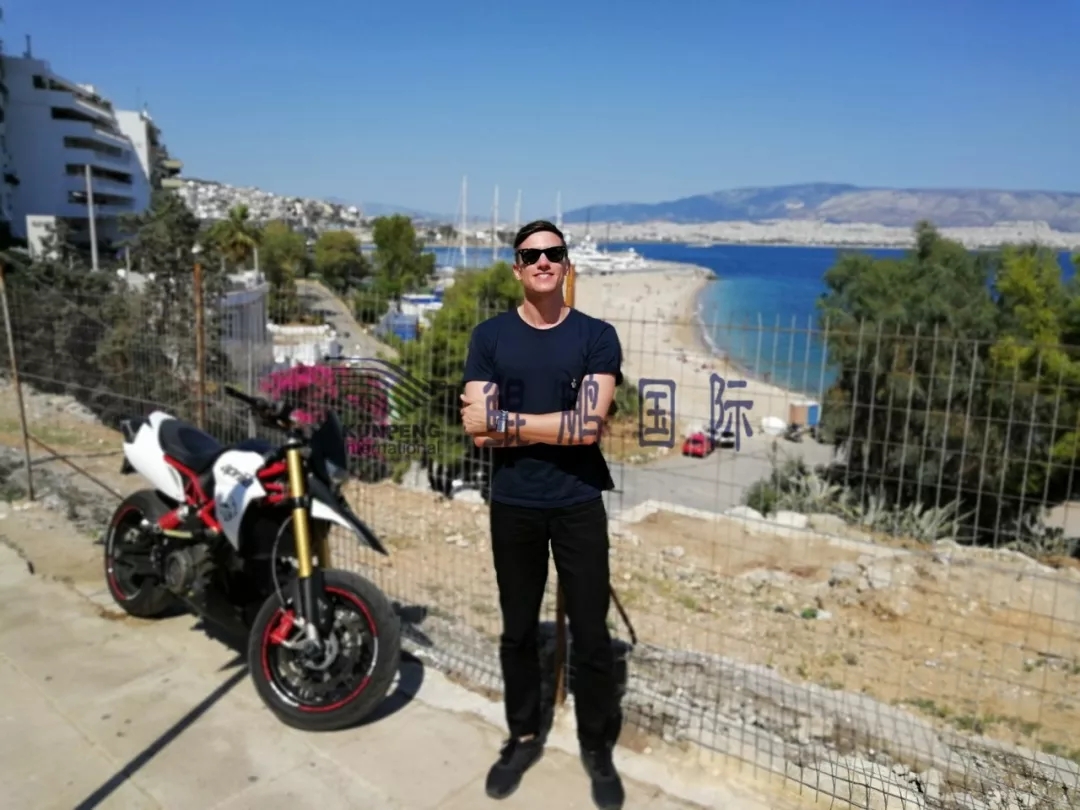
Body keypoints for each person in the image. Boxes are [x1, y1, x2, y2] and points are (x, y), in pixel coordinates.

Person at [459, 219, 626, 809]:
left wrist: (508, 422)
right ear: (517, 269)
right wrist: (553, 426)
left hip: (579, 503)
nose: (543, 262)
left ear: (566, 264)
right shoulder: (489, 338)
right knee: (518, 631)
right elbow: (478, 435)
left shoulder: (597, 336)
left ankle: (596, 745)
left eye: (553, 253)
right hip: (514, 505)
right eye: (531, 255)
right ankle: (524, 735)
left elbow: (587, 428)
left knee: (592, 634)